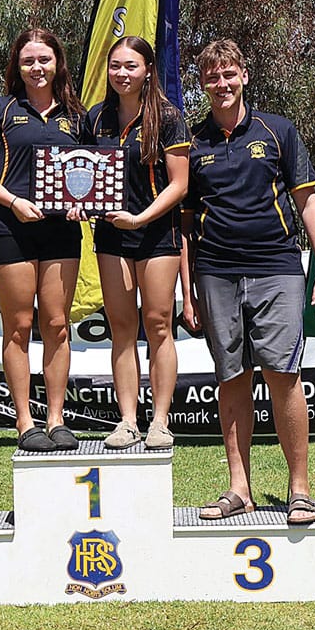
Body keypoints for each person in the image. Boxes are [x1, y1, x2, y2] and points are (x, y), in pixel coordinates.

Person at [180, 39, 315, 525]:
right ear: (203, 85)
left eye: (229, 75)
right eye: (212, 77)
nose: (222, 84)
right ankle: (239, 488)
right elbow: (185, 224)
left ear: (244, 76)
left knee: (283, 376)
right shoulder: (193, 142)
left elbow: (309, 202)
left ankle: (299, 490)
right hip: (216, 273)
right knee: (231, 377)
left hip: (276, 269)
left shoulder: (278, 131)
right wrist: (188, 291)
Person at [0, 27, 85, 452]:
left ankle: (56, 419)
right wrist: (14, 201)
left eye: (45, 60)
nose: (38, 68)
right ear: (17, 66)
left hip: (61, 232)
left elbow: (90, 174)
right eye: (29, 61)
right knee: (18, 327)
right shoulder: (1, 109)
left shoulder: (77, 114)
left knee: (56, 325)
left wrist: (82, 203)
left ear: (58, 64)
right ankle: (25, 422)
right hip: (9, 230)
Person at [79, 36, 190, 451]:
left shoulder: (168, 117)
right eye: (115, 66)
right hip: (110, 236)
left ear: (147, 71)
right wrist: (79, 206)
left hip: (158, 234)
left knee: (159, 325)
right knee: (122, 329)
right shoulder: (96, 118)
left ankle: (160, 421)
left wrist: (140, 218)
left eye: (131, 66)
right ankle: (127, 421)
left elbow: (180, 185)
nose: (122, 74)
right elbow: (83, 177)